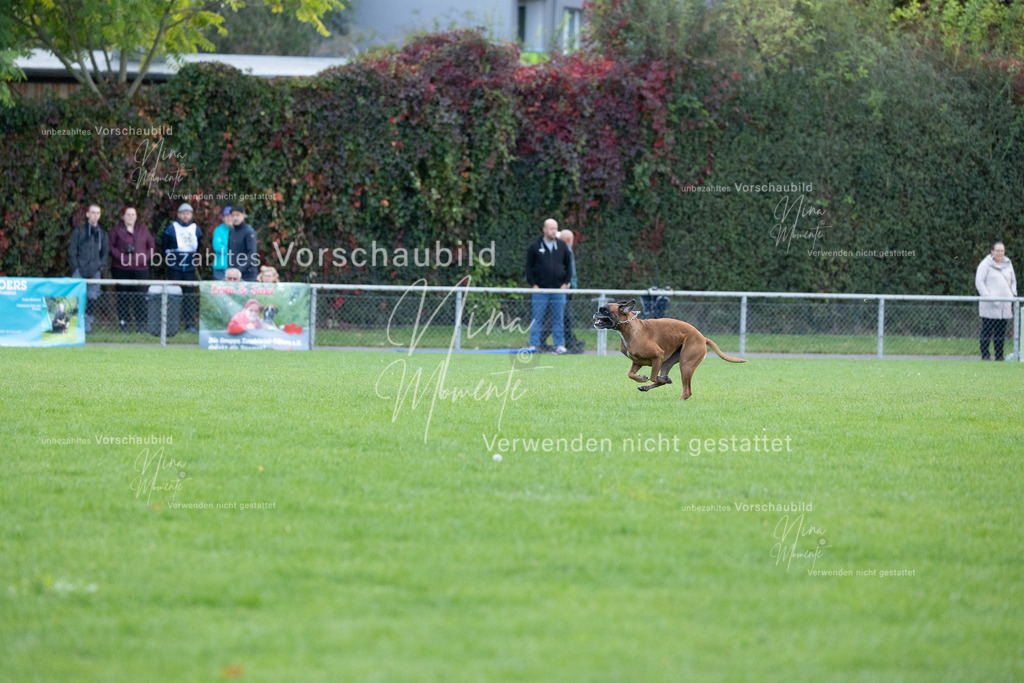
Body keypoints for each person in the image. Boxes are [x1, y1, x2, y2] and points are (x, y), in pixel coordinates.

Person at [525, 218, 572, 354]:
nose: (554, 231)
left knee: (558, 318)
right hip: (540, 290)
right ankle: (534, 344)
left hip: (558, 290)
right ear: (544, 230)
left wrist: (566, 284)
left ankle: (558, 345)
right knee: (537, 318)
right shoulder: (535, 247)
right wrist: (533, 284)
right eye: (551, 229)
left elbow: (569, 267)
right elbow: (528, 268)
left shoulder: (563, 247)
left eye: (556, 228)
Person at [109, 206, 155, 333]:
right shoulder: (116, 230)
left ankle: (140, 326)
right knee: (123, 297)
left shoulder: (143, 229)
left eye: (133, 214)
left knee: (140, 298)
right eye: (128, 214)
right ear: (123, 216)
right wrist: (121, 257)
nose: (130, 217)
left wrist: (144, 258)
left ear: (136, 216)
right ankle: (124, 324)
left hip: (141, 269)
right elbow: (110, 246)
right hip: (121, 269)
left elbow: (151, 245)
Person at [539, 229, 585, 353]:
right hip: (565, 289)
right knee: (560, 316)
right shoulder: (566, 250)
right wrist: (568, 285)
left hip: (562, 288)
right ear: (570, 240)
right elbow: (569, 271)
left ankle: (570, 341)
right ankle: (542, 341)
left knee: (564, 317)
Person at [162, 202, 202, 334]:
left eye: (188, 213)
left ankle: (189, 325)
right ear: (179, 214)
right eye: (183, 213)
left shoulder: (196, 229)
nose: (185, 216)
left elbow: (199, 245)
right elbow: (164, 244)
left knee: (189, 297)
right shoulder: (171, 228)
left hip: (189, 268)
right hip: (175, 268)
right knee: (173, 296)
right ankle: (170, 324)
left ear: (191, 215)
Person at [68, 203, 109, 334]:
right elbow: (72, 251)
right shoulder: (79, 232)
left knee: (92, 299)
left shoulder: (102, 234)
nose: (95, 215)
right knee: (76, 298)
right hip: (79, 271)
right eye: (92, 212)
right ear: (87, 214)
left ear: (100, 215)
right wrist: (76, 269)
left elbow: (105, 253)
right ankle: (72, 326)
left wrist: (100, 267)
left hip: (95, 273)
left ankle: (87, 326)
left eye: (97, 213)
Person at [975, 241, 1017, 361]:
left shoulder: (1008, 264)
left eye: (1002, 251)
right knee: (987, 331)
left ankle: (999, 355)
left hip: (1005, 307)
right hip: (989, 306)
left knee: (1000, 333)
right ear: (992, 252)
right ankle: (985, 355)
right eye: (997, 251)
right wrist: (988, 296)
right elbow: (979, 281)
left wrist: (1013, 294)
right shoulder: (985, 264)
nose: (1000, 253)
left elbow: (1013, 281)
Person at [228, 206, 259, 282]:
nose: (235, 218)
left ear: (243, 215)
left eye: (238, 215)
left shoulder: (249, 232)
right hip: (233, 275)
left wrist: (239, 269)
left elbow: (252, 254)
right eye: (233, 215)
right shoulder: (231, 231)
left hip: (248, 274)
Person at [212, 207, 233, 281]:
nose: (229, 218)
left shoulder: (240, 230)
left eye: (231, 215)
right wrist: (234, 250)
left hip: (235, 270)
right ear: (223, 218)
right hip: (220, 269)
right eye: (226, 216)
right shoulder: (218, 230)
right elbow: (218, 247)